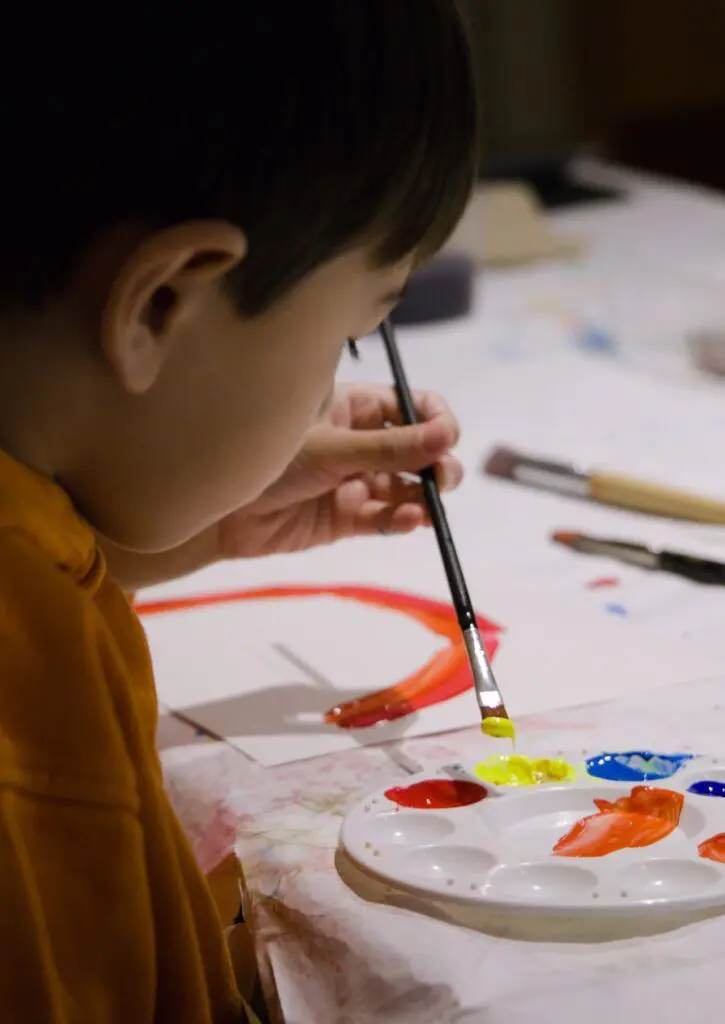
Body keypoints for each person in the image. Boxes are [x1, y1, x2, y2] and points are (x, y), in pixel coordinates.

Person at [0, 2, 477, 1020]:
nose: (324, 393)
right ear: (164, 302)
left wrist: (187, 527)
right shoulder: (25, 713)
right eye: (348, 338)